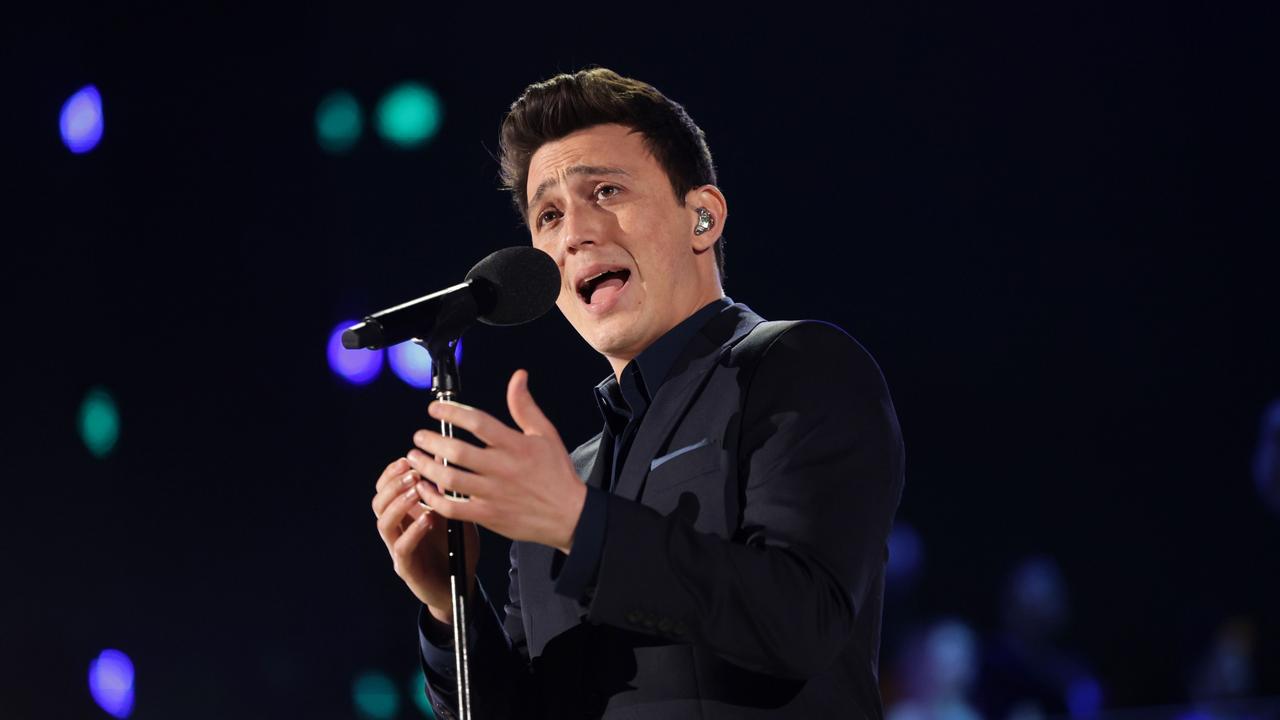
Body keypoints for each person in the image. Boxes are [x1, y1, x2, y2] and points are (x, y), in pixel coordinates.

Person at [370, 67, 905, 719]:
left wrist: (576, 523)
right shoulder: (565, 479)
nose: (574, 234)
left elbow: (802, 622)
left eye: (606, 190)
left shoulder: (797, 366)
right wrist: (449, 602)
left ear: (702, 216)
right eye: (549, 214)